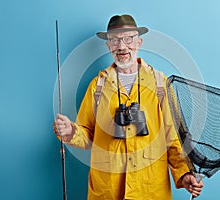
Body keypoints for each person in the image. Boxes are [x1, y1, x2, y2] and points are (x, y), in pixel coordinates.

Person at [53, 14, 203, 200]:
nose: (122, 46)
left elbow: (173, 137)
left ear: (139, 42)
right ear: (108, 46)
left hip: (150, 190)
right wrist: (69, 131)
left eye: (128, 39)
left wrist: (184, 173)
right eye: (115, 40)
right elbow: (86, 133)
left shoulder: (159, 83)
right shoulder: (98, 86)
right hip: (107, 191)